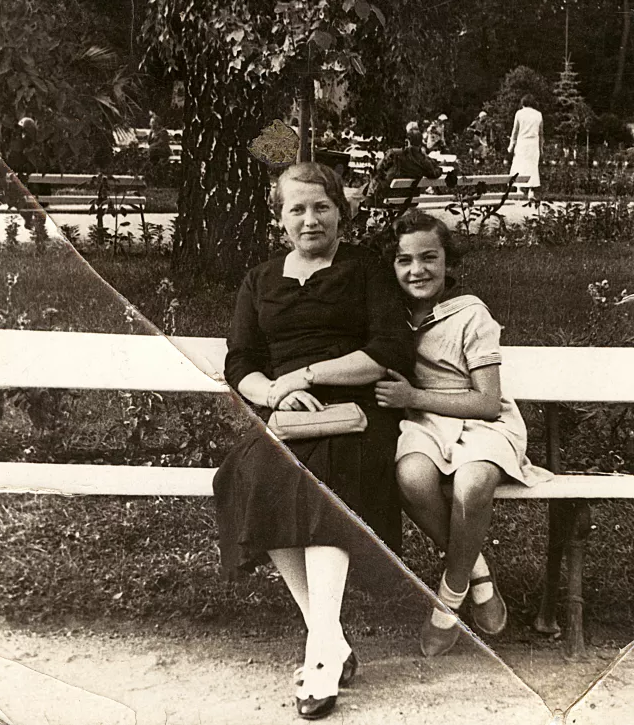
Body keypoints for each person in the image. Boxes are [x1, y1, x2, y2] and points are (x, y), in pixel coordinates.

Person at [213, 162, 414, 719]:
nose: (309, 219)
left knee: (327, 479)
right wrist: (277, 394)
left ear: (340, 212)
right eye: (296, 208)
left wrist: (305, 377)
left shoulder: (366, 270)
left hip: (356, 416)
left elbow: (386, 352)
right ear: (279, 217)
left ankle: (320, 658)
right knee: (252, 473)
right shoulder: (259, 279)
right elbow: (241, 363)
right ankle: (331, 638)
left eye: (321, 207)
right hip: (287, 416)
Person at [375, 210, 552, 658]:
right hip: (423, 423)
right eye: (403, 260)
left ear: (448, 260)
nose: (417, 270)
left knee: (473, 483)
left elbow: (487, 402)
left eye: (429, 257)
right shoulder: (390, 313)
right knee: (412, 479)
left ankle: (448, 601)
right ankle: (477, 571)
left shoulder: (472, 314)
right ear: (391, 266)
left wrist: (412, 394)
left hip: (480, 421)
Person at [366, 121, 442, 205]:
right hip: (410, 200)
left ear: (407, 142)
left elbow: (378, 168)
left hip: (386, 197)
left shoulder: (394, 153)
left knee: (364, 192)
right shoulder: (423, 160)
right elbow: (435, 173)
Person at [508, 94, 544, 200]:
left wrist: (511, 146)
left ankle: (519, 190)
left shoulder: (519, 113)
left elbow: (515, 131)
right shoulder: (538, 115)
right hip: (533, 144)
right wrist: (541, 148)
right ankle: (531, 192)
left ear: (523, 103)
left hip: (522, 143)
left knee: (520, 166)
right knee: (532, 167)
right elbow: (541, 133)